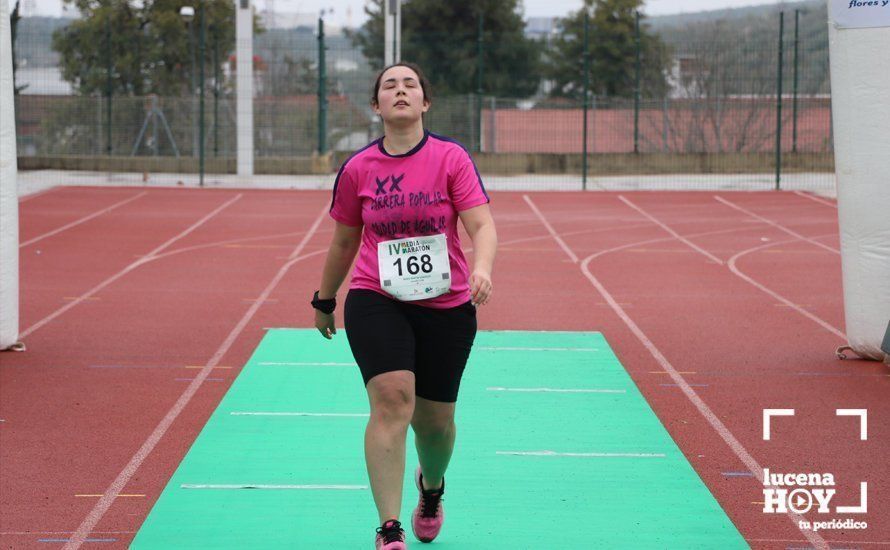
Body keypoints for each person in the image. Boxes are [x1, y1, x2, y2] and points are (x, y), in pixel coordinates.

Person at [311, 62, 497, 549]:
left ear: (424, 102)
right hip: (377, 296)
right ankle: (389, 527)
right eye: (389, 86)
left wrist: (483, 267)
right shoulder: (358, 169)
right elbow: (343, 241)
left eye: (410, 84)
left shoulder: (450, 158)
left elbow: (481, 225)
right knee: (392, 399)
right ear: (376, 106)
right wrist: (325, 299)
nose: (400, 91)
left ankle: (430, 487)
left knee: (435, 424)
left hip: (448, 303)